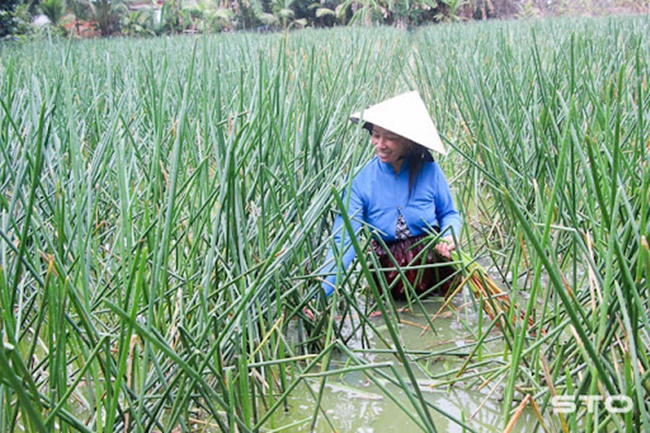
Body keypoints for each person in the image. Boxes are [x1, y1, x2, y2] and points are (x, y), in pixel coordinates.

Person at [320, 91, 462, 299]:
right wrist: (323, 293)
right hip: (389, 272)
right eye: (376, 135)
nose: (380, 144)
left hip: (435, 266)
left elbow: (449, 213)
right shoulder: (360, 180)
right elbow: (345, 239)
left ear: (408, 141)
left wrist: (450, 235)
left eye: (391, 138)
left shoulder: (430, 171)